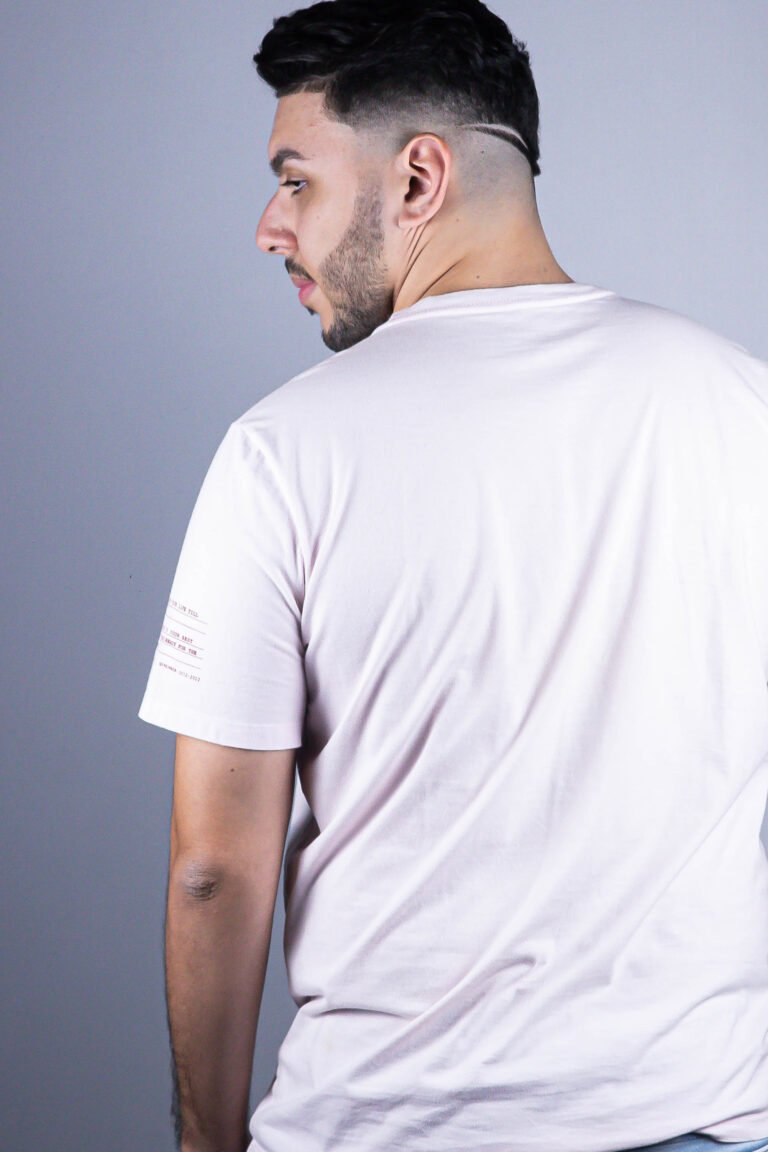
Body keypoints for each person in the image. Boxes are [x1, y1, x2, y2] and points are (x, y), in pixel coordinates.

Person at [137, 2, 768, 1151]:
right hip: (707, 1122)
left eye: (297, 181)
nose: (271, 228)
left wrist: (204, 1142)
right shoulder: (744, 406)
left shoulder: (285, 451)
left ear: (420, 178)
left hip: (389, 1127)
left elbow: (215, 870)